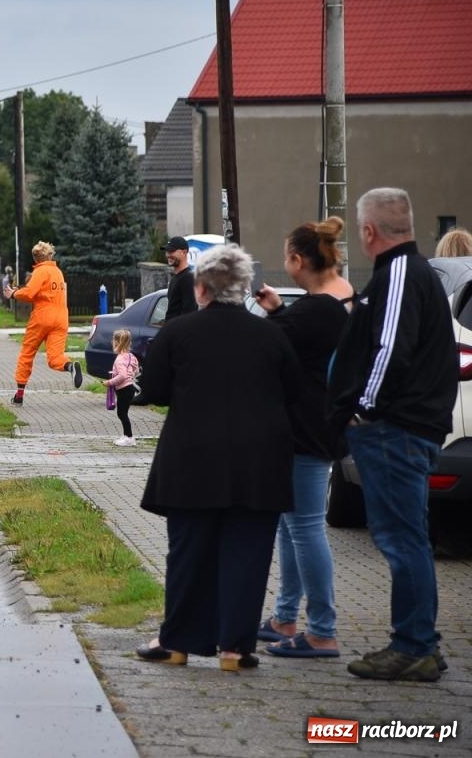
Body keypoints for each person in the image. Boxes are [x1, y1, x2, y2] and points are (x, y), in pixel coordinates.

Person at [135, 244, 303, 671]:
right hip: (259, 461)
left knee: (189, 552)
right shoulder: (272, 335)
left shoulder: (177, 333)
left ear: (201, 288)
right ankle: (235, 648)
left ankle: (178, 643)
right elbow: (294, 392)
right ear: (244, 289)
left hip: (192, 458)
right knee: (248, 554)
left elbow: (153, 391)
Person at [327, 188, 458, 682]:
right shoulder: (411, 273)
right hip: (406, 429)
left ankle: (414, 646)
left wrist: (362, 410)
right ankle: (419, 640)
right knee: (409, 539)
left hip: (395, 430)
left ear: (368, 231)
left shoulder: (400, 272)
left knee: (403, 541)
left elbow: (389, 348)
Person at [252, 217, 354, 660]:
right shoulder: (340, 299)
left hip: (306, 430)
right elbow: (297, 340)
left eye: (285, 256)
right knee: (291, 525)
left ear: (297, 260)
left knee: (307, 527)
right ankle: (285, 617)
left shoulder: (319, 309)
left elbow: (269, 347)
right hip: (318, 425)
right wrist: (277, 312)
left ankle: (321, 630)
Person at [8, 241, 82, 404]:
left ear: (35, 259)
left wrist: (14, 293)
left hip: (42, 317)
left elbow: (29, 293)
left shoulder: (41, 272)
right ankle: (70, 366)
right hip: (61, 317)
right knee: (55, 356)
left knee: (27, 353)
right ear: (50, 255)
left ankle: (19, 394)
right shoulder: (58, 272)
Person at [108, 329, 141, 446]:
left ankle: (129, 437)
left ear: (117, 342)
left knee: (122, 413)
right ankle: (126, 435)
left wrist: (110, 382)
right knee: (123, 413)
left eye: (113, 340)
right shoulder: (131, 356)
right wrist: (131, 375)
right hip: (129, 388)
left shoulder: (119, 359)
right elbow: (136, 370)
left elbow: (122, 375)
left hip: (124, 389)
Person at [163, 236, 197, 322]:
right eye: (167, 251)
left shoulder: (188, 279)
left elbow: (189, 314)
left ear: (184, 253)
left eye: (171, 251)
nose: (168, 255)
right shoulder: (176, 278)